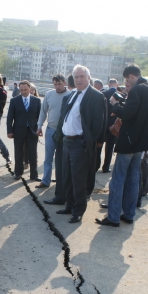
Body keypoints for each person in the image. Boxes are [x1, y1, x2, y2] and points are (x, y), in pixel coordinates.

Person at [96, 64, 148, 227]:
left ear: (131, 76)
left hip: (130, 141)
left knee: (118, 179)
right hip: (142, 142)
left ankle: (114, 216)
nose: (126, 82)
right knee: (133, 178)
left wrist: (115, 104)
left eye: (126, 79)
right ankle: (129, 214)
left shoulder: (137, 90)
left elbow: (128, 114)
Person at [53, 65, 106, 223]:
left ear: (89, 78)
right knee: (66, 176)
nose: (79, 79)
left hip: (80, 143)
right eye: (76, 77)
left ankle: (78, 210)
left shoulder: (95, 96)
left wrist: (88, 141)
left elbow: (98, 124)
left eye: (82, 76)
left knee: (78, 179)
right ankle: (69, 205)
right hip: (66, 142)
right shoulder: (71, 94)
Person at [36, 74, 71, 192]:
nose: (57, 86)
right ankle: (45, 180)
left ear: (65, 83)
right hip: (50, 129)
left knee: (61, 158)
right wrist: (39, 126)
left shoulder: (70, 95)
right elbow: (43, 111)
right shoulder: (49, 95)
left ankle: (60, 182)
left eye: (60, 84)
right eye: (55, 84)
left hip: (64, 132)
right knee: (48, 157)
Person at [7, 80, 41, 180]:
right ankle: (18, 172)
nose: (23, 92)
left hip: (32, 131)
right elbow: (10, 117)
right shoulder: (14, 100)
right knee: (18, 152)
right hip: (18, 131)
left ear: (30, 89)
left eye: (25, 89)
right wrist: (9, 131)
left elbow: (39, 117)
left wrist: (39, 129)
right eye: (21, 90)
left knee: (33, 153)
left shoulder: (36, 100)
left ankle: (34, 175)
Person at [102, 78, 119, 172]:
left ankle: (95, 165)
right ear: (116, 84)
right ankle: (106, 167)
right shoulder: (120, 95)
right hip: (113, 124)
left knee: (99, 145)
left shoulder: (103, 94)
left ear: (108, 85)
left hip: (103, 123)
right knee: (110, 146)